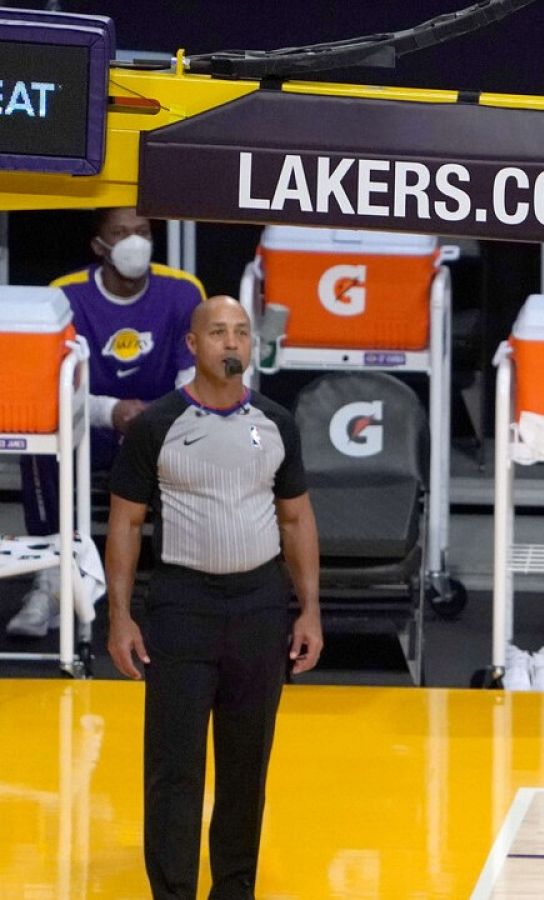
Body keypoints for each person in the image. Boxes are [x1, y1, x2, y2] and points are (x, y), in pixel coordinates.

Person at [104, 296, 323, 899]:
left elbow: (297, 519)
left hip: (258, 607)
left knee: (246, 766)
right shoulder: (157, 424)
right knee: (174, 768)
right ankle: (171, 892)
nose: (231, 343)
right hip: (183, 607)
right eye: (218, 333)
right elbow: (125, 524)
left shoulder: (278, 422)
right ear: (192, 346)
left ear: (253, 346)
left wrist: (309, 610)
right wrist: (120, 617)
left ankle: (234, 888)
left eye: (242, 334)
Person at [7, 207, 204, 638]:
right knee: (42, 440)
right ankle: (52, 580)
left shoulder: (183, 291)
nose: (135, 241)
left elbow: (193, 378)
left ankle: (181, 594)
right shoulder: (66, 294)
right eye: (121, 232)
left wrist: (154, 415)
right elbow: (52, 380)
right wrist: (110, 412)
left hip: (158, 427)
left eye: (143, 231)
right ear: (100, 246)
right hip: (88, 424)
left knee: (200, 436)